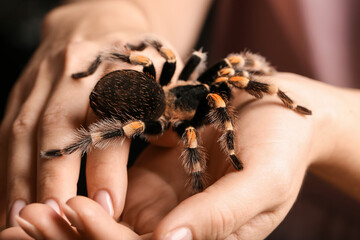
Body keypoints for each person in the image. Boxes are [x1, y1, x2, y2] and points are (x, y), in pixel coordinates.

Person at [1, 0, 359, 239]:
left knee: (222, 77)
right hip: (157, 106)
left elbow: (165, 58)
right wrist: (108, 15)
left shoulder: (180, 80)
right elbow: (157, 46)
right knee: (150, 119)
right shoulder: (195, 112)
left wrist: (322, 119)